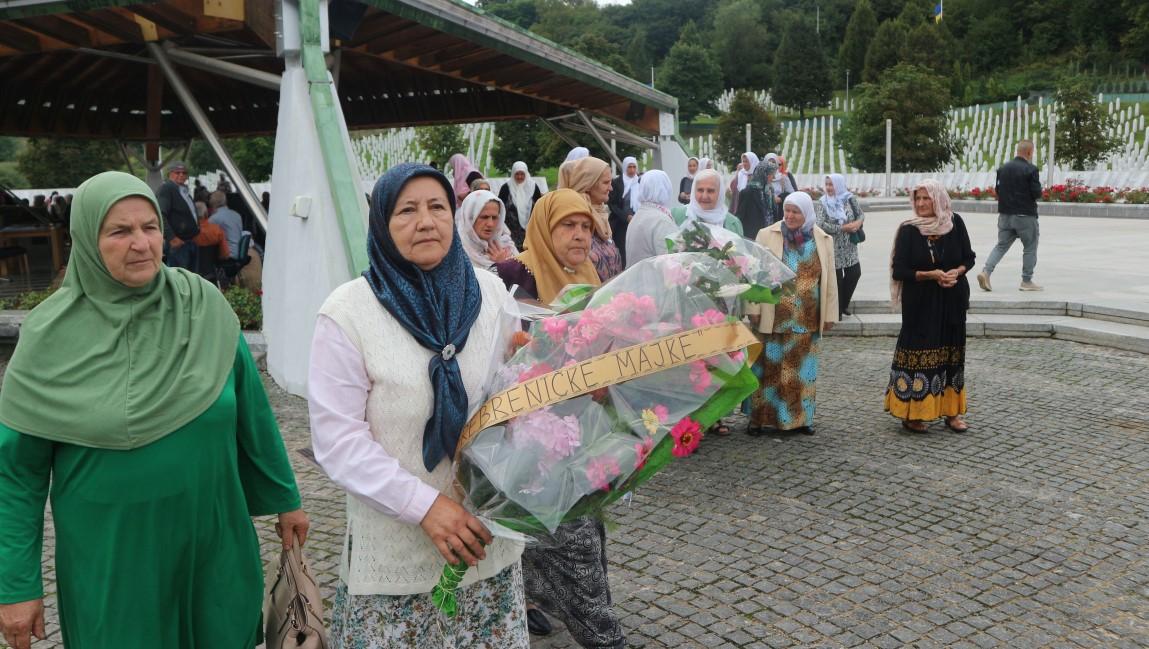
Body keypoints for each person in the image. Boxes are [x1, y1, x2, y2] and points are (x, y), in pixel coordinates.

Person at [0, 171, 308, 649]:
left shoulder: (203, 307)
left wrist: (285, 498)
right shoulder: (48, 338)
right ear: (86, 240)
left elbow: (253, 414)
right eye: (119, 231)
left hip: (215, 544)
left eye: (149, 227)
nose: (141, 244)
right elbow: (16, 475)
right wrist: (16, 586)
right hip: (112, 559)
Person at [308, 163, 528, 648]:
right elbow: (337, 442)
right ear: (382, 224)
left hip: (485, 547)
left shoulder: (491, 293)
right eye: (406, 210)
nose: (425, 221)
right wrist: (424, 506)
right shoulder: (348, 313)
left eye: (436, 207)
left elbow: (516, 394)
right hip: (396, 564)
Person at [492, 190, 624, 649]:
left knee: (583, 535)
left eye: (586, 226)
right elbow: (493, 353)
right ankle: (600, 635)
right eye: (568, 225)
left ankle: (540, 602)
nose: (579, 235)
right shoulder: (512, 275)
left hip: (579, 437)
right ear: (545, 228)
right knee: (573, 542)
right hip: (530, 446)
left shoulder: (590, 277)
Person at [885, 179, 975, 434]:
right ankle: (913, 413)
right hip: (921, 304)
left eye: (927, 198)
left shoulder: (955, 223)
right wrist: (932, 274)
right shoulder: (909, 230)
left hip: (952, 299)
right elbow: (900, 270)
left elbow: (969, 257)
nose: (922, 203)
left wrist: (955, 272)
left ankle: (951, 412)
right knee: (920, 356)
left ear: (938, 199)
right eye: (918, 199)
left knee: (951, 355)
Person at [745, 192, 838, 436]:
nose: (790, 216)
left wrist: (829, 314)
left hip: (807, 317)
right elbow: (755, 274)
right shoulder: (768, 235)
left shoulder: (823, 239)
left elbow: (829, 281)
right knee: (768, 370)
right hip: (773, 315)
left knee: (802, 372)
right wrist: (753, 308)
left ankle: (800, 419)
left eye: (796, 211)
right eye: (787, 210)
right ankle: (759, 420)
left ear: (806, 213)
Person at [977, 139, 1043, 292]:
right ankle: (1026, 281)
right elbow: (1037, 193)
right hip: (1025, 215)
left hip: (1005, 215)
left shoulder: (1002, 169)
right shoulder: (1031, 169)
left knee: (1001, 246)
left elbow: (998, 190)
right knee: (1030, 247)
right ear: (1029, 152)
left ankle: (986, 272)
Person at [558, 156, 624, 282]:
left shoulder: (600, 215)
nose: (611, 188)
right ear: (588, 184)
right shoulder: (576, 215)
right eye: (605, 183)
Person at [817, 174, 865, 317]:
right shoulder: (822, 202)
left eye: (832, 184)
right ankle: (835, 310)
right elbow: (820, 224)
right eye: (827, 184)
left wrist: (856, 224)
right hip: (832, 246)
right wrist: (842, 228)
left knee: (854, 274)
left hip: (849, 245)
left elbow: (861, 215)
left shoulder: (849, 198)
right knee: (836, 280)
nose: (829, 188)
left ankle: (843, 304)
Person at [625, 170, 679, 267]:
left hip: (637, 279)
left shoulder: (640, 214)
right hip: (653, 280)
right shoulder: (661, 220)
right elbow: (672, 263)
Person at [154, 160, 200, 271]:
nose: (181, 175)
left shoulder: (183, 190)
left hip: (189, 241)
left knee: (190, 278)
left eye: (184, 173)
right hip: (179, 243)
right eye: (177, 172)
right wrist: (172, 238)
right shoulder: (167, 188)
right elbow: (160, 214)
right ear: (170, 174)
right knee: (181, 279)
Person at [457, 189, 518, 271]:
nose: (490, 224)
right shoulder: (457, 252)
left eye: (495, 218)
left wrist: (505, 264)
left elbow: (522, 279)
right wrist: (499, 267)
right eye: (484, 217)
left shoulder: (506, 247)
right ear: (470, 219)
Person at [671, 169, 744, 236]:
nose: (704, 196)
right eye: (700, 190)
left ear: (720, 193)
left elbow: (740, 249)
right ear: (693, 191)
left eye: (710, 191)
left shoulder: (734, 224)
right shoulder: (676, 215)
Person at [498, 161, 542, 249]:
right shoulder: (506, 188)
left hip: (530, 232)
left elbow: (539, 207)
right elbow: (500, 208)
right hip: (511, 233)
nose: (519, 177)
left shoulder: (533, 187)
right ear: (513, 174)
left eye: (522, 174)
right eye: (517, 174)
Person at [734, 158, 779, 240]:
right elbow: (739, 217)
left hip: (769, 235)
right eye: (772, 174)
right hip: (753, 236)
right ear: (764, 174)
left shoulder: (769, 190)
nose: (773, 177)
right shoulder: (747, 192)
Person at [608, 156, 640, 264]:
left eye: (634, 167)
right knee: (622, 251)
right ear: (625, 167)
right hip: (620, 224)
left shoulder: (639, 182)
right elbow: (612, 204)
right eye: (629, 167)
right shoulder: (616, 182)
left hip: (637, 222)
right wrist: (626, 217)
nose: (632, 170)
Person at [209, 191, 244, 260]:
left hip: (227, 255)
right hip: (237, 253)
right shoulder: (237, 215)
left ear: (213, 203)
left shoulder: (215, 218)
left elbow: (206, 234)